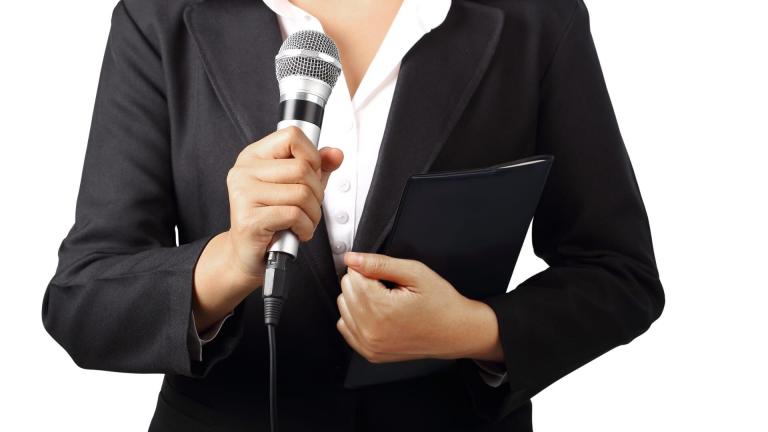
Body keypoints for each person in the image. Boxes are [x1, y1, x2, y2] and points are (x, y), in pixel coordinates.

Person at [42, 0, 665, 430]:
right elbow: (82, 301)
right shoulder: (161, 17)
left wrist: (474, 331)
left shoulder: (535, 19)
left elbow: (619, 274)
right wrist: (228, 262)